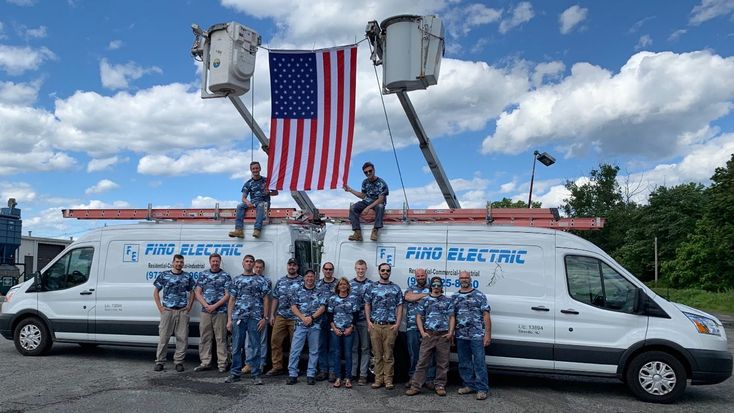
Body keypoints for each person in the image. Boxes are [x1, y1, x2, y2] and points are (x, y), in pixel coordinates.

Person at [224, 255, 271, 384]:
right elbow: (232, 300)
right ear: (243, 263)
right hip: (239, 317)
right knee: (236, 347)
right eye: (247, 261)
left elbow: (266, 299)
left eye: (251, 261)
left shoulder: (261, 281)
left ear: (254, 264)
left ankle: (256, 375)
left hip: (255, 318)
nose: (249, 263)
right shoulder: (237, 280)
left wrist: (265, 318)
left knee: (256, 346)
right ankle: (235, 373)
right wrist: (229, 319)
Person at [405, 276, 455, 397]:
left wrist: (451, 332)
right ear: (431, 286)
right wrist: (422, 332)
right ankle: (416, 386)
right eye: (434, 285)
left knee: (442, 363)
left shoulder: (448, 301)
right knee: (422, 362)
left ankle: (440, 385)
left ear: (441, 287)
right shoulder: (425, 300)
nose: (436, 287)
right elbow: (418, 316)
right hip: (429, 335)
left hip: (443, 336)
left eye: (438, 285)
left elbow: (452, 317)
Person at [453, 271, 492, 400]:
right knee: (464, 362)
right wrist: (451, 334)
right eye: (461, 278)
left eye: (466, 278)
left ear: (471, 279)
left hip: (477, 335)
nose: (464, 280)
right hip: (461, 335)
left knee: (479, 362)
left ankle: (482, 388)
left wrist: (487, 335)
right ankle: (468, 385)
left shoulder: (479, 295)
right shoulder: (455, 296)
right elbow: (452, 317)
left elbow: (486, 315)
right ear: (459, 280)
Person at [153, 254, 195, 372]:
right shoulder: (164, 275)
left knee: (182, 338)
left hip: (182, 311)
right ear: (173, 262)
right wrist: (160, 308)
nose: (179, 264)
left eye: (181, 262)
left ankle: (179, 362)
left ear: (183, 263)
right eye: (177, 262)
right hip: (168, 311)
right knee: (163, 338)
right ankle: (160, 362)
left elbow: (193, 292)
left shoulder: (187, 277)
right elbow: (156, 292)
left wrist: (189, 306)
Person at [364, 262, 403, 390]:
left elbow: (399, 306)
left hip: (390, 326)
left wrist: (397, 323)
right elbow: (367, 304)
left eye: (387, 270)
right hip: (375, 325)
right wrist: (369, 322)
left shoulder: (396, 288)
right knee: (377, 354)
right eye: (383, 270)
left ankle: (388, 380)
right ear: (379, 271)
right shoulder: (372, 287)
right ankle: (378, 379)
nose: (385, 272)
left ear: (390, 272)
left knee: (388, 355)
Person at [286, 269, 327, 385]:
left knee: (314, 351)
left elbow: (323, 307)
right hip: (301, 325)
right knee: (295, 350)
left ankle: (311, 374)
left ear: (315, 278)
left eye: (312, 277)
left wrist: (312, 318)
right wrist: (303, 318)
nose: (309, 279)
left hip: (315, 325)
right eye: (307, 276)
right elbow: (293, 307)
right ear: (304, 278)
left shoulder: (320, 291)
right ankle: (292, 374)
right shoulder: (297, 290)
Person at [193, 253, 232, 373]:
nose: (215, 263)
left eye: (217, 261)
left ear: (220, 262)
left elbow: (228, 295)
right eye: (213, 261)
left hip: (220, 311)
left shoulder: (225, 276)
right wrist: (206, 305)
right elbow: (197, 292)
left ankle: (222, 364)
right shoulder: (204, 274)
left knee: (221, 338)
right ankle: (205, 362)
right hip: (206, 312)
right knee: (205, 337)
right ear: (210, 262)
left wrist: (215, 306)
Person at [267, 258, 302, 376]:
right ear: (287, 266)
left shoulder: (303, 281)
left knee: (295, 344)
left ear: (297, 267)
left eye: (294, 265)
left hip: (296, 317)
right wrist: (272, 314)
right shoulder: (281, 281)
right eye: (290, 265)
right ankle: (277, 366)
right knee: (275, 341)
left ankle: (294, 367)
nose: (291, 267)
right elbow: (275, 298)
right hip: (281, 316)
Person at [229, 161, 278, 239]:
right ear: (251, 170)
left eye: (257, 168)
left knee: (261, 205)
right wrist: (247, 202)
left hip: (264, 202)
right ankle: (239, 230)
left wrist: (269, 193)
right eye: (253, 169)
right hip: (253, 202)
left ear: (260, 169)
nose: (255, 170)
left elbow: (276, 193)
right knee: (240, 206)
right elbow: (243, 198)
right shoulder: (248, 183)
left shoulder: (267, 181)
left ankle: (257, 229)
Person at [403, 268, 435, 388]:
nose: (420, 277)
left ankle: (430, 379)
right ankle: (413, 377)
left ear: (426, 275)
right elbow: (408, 297)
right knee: (414, 354)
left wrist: (417, 297)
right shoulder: (411, 288)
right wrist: (425, 295)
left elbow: (435, 297)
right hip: (412, 326)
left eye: (422, 275)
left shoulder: (432, 288)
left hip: (429, 327)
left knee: (430, 354)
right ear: (415, 277)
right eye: (418, 276)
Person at [343, 161, 388, 241]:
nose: (368, 173)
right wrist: (350, 190)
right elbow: (363, 196)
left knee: (380, 206)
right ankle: (357, 233)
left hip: (378, 202)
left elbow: (381, 199)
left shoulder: (381, 183)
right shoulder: (365, 182)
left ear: (374, 170)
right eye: (366, 172)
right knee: (353, 208)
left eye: (370, 171)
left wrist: (367, 208)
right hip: (367, 201)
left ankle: (375, 230)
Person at [327, 277, 359, 389]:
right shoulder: (333, 299)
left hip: (348, 330)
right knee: (336, 353)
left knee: (348, 354)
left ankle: (348, 378)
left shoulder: (353, 299)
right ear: (338, 286)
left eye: (345, 284)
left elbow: (356, 315)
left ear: (348, 286)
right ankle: (338, 378)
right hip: (335, 330)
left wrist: (351, 327)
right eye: (341, 284)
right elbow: (330, 316)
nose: (343, 286)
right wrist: (334, 328)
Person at [241, 258, 271, 375]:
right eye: (256, 267)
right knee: (248, 341)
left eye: (260, 267)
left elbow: (267, 299)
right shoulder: (246, 279)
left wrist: (266, 316)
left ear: (263, 269)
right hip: (248, 315)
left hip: (261, 315)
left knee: (262, 341)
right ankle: (249, 363)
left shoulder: (266, 281)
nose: (258, 269)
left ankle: (261, 364)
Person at [349, 259, 373, 385]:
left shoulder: (371, 285)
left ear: (365, 269)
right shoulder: (349, 284)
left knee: (365, 348)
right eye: (358, 268)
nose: (360, 271)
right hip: (352, 321)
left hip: (365, 320)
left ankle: (363, 375)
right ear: (355, 269)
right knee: (353, 348)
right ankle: (353, 373)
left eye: (362, 268)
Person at [316, 261, 338, 381]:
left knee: (333, 346)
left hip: (334, 318)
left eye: (330, 269)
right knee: (321, 345)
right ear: (323, 270)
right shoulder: (318, 284)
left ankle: (332, 371)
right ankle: (323, 370)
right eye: (326, 269)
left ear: (333, 271)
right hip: (321, 318)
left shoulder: (338, 283)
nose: (328, 271)